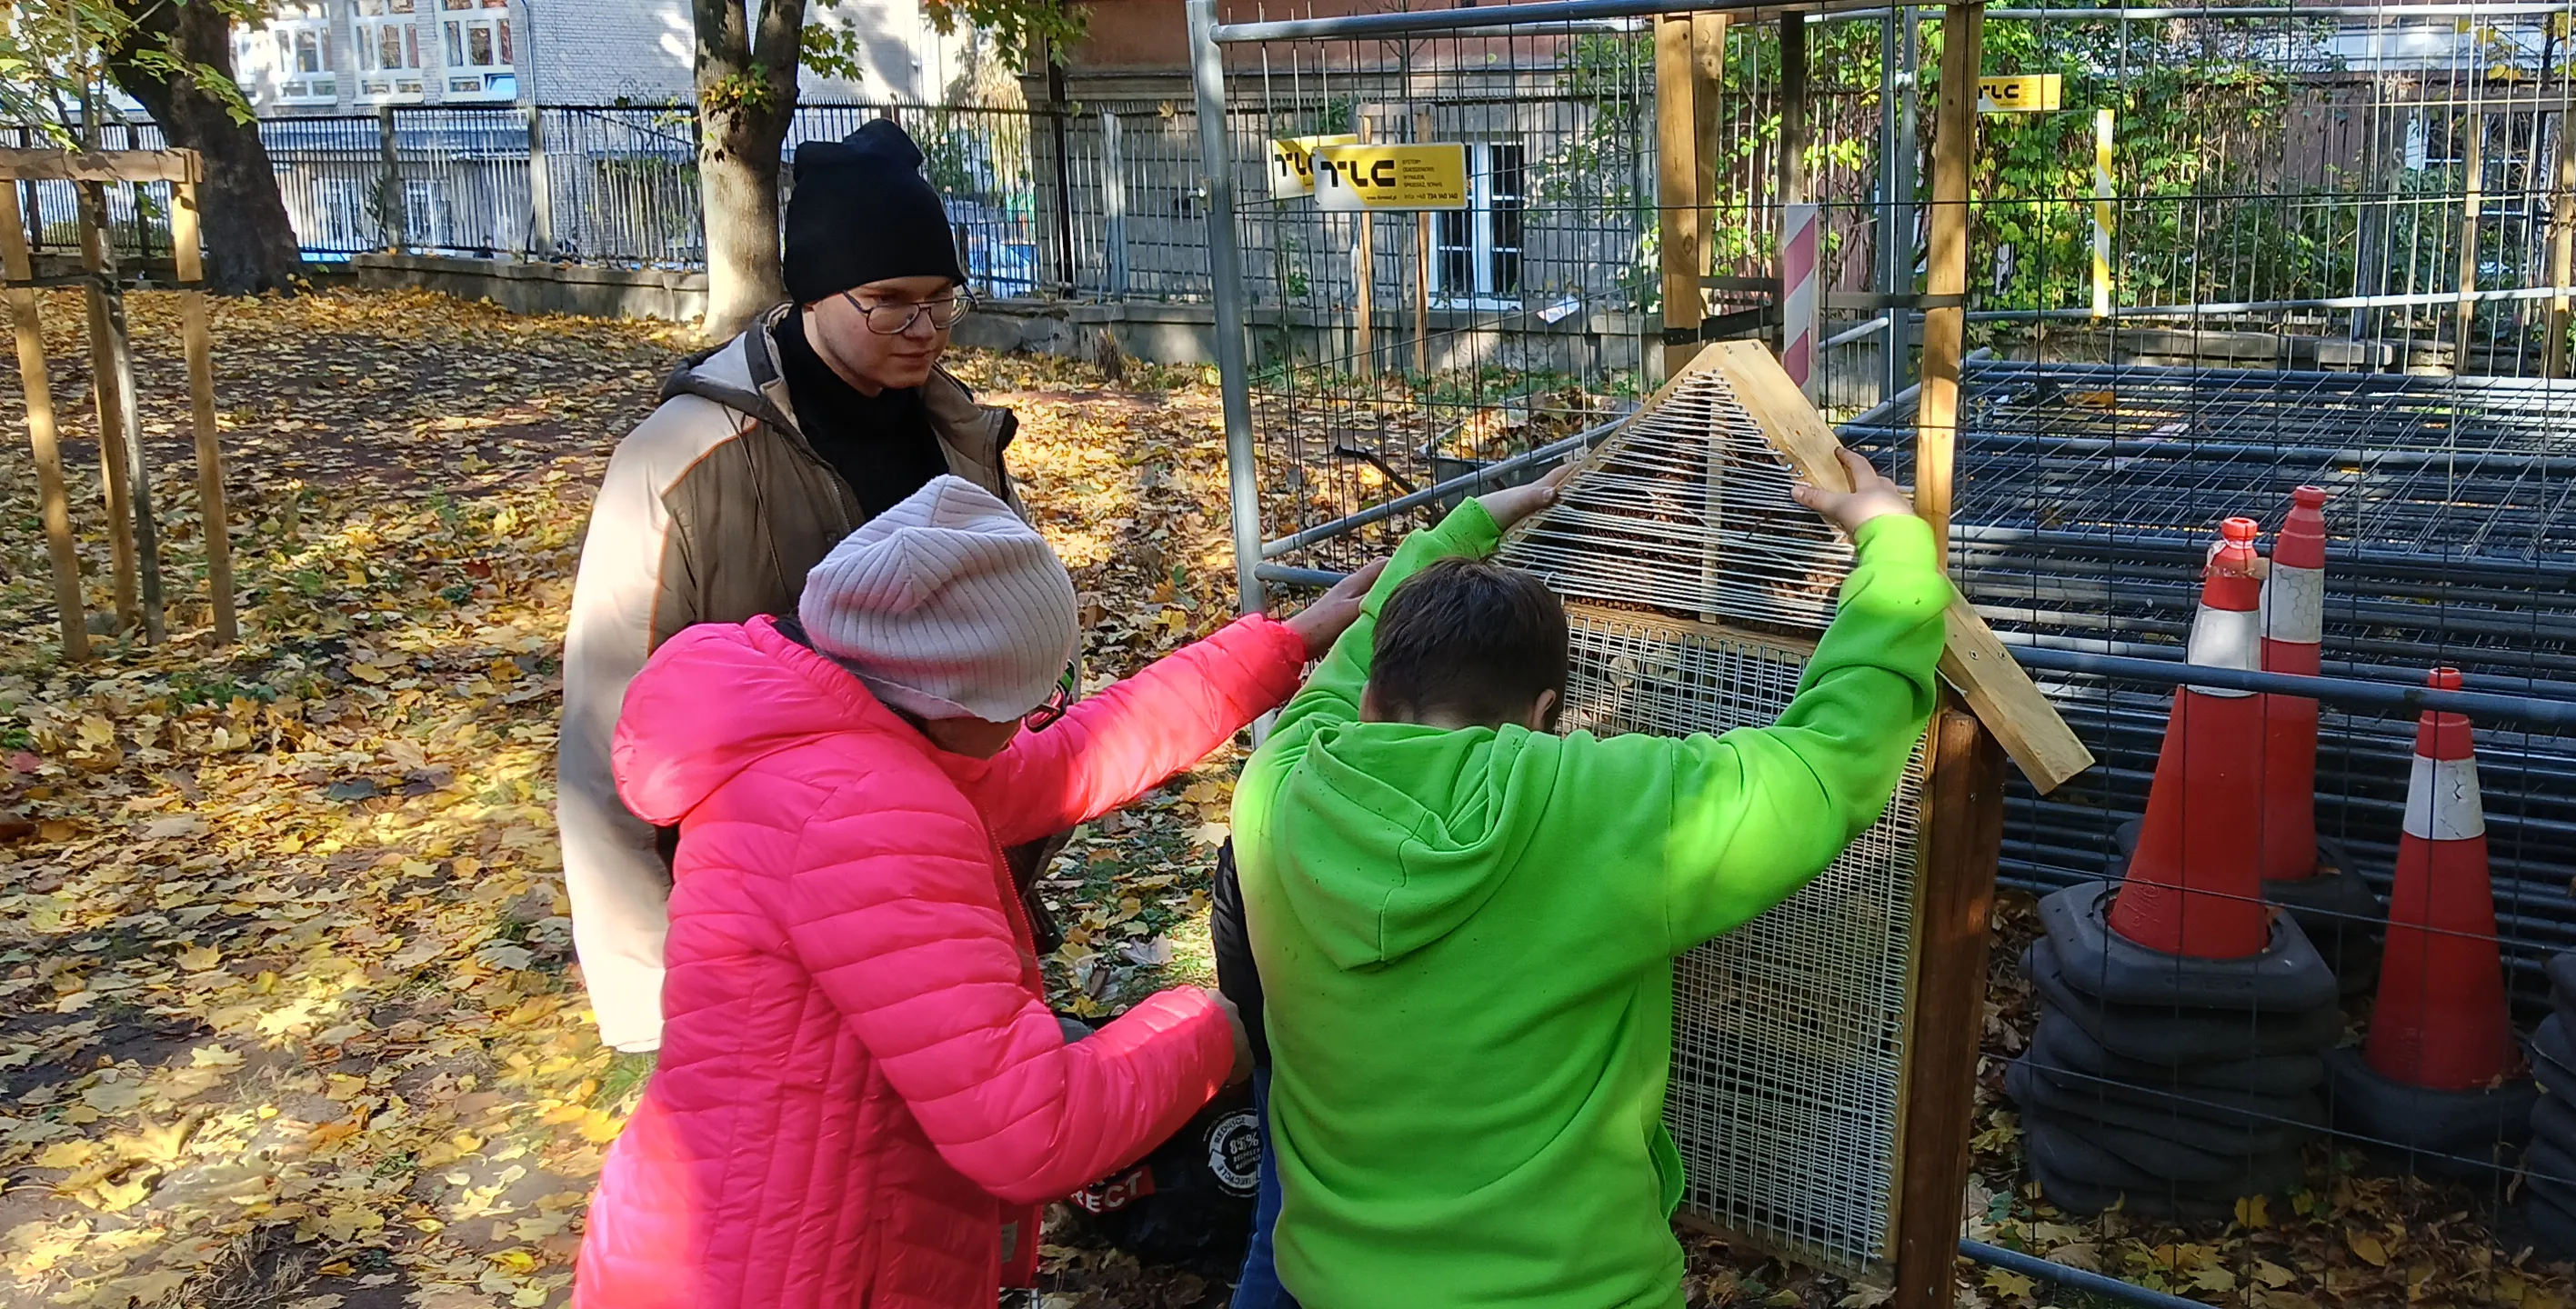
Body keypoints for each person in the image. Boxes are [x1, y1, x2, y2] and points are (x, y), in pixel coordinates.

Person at [573, 475, 1377, 1309]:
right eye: (1028, 700)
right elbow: (1033, 1126)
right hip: (794, 1267)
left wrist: (1286, 644)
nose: (1038, 717)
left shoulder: (832, 724)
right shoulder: (867, 816)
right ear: (947, 698)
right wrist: (1217, 1025)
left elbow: (1072, 758)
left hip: (779, 1224)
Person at [1231, 452, 1949, 1308]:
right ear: (1543, 714)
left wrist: (1463, 531)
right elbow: (1832, 759)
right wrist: (1899, 550)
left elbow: (1350, 664)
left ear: (1375, 703)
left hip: (1337, 1286)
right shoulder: (1589, 811)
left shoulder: (1275, 784)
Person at [562, 116, 1027, 1054]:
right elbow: (607, 741)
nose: (924, 329)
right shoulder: (680, 461)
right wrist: (655, 1004)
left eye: (942, 300)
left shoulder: (959, 434)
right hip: (758, 943)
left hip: (934, 907)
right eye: (889, 301)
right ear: (812, 291)